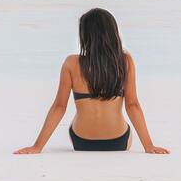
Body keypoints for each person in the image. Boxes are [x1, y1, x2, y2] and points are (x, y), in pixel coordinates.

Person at [14, 8, 170, 154]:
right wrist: (149, 146)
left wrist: (37, 147)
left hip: (81, 141)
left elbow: (59, 107)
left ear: (84, 36)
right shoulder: (125, 62)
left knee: (75, 118)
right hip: (118, 141)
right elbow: (132, 105)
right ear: (113, 33)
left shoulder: (71, 63)